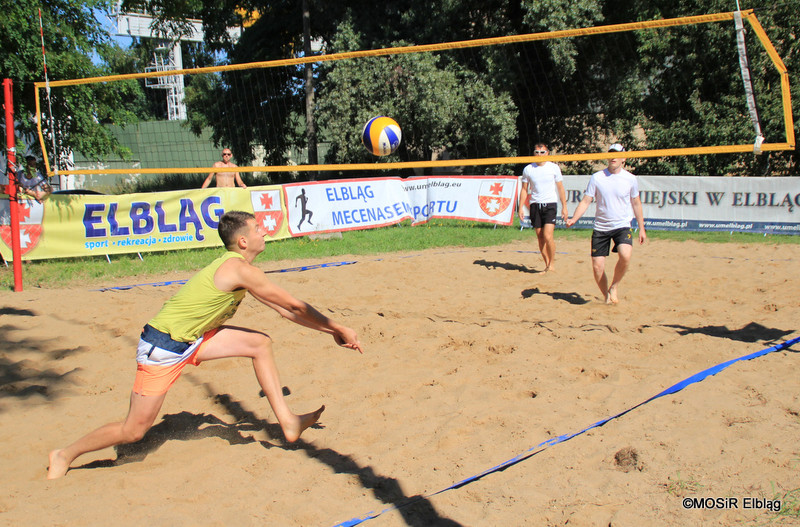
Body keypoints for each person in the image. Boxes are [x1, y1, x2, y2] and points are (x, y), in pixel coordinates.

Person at [47, 210, 363, 479]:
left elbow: (284, 311)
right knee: (133, 431)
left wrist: (329, 331)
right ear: (243, 241)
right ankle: (64, 454)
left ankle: (289, 423)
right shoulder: (238, 269)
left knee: (259, 344)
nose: (264, 230)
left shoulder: (240, 267)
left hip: (192, 339)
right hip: (163, 346)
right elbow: (293, 306)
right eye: (257, 228)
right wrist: (338, 326)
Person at [566, 143, 646, 304]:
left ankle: (614, 286)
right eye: (610, 153)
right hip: (601, 227)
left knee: (625, 255)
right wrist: (574, 218)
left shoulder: (630, 178)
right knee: (597, 267)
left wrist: (642, 228)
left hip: (622, 225)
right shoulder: (597, 177)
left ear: (624, 158)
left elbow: (636, 203)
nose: (613, 156)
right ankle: (606, 296)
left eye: (616, 154)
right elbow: (586, 200)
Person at [518, 143, 568, 272]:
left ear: (547, 153)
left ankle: (552, 264)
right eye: (537, 152)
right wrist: (520, 207)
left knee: (547, 235)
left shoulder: (554, 168)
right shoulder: (528, 169)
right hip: (535, 204)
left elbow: (560, 188)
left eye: (542, 152)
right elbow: (524, 190)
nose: (539, 155)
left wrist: (564, 207)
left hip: (550, 204)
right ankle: (547, 264)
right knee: (540, 236)